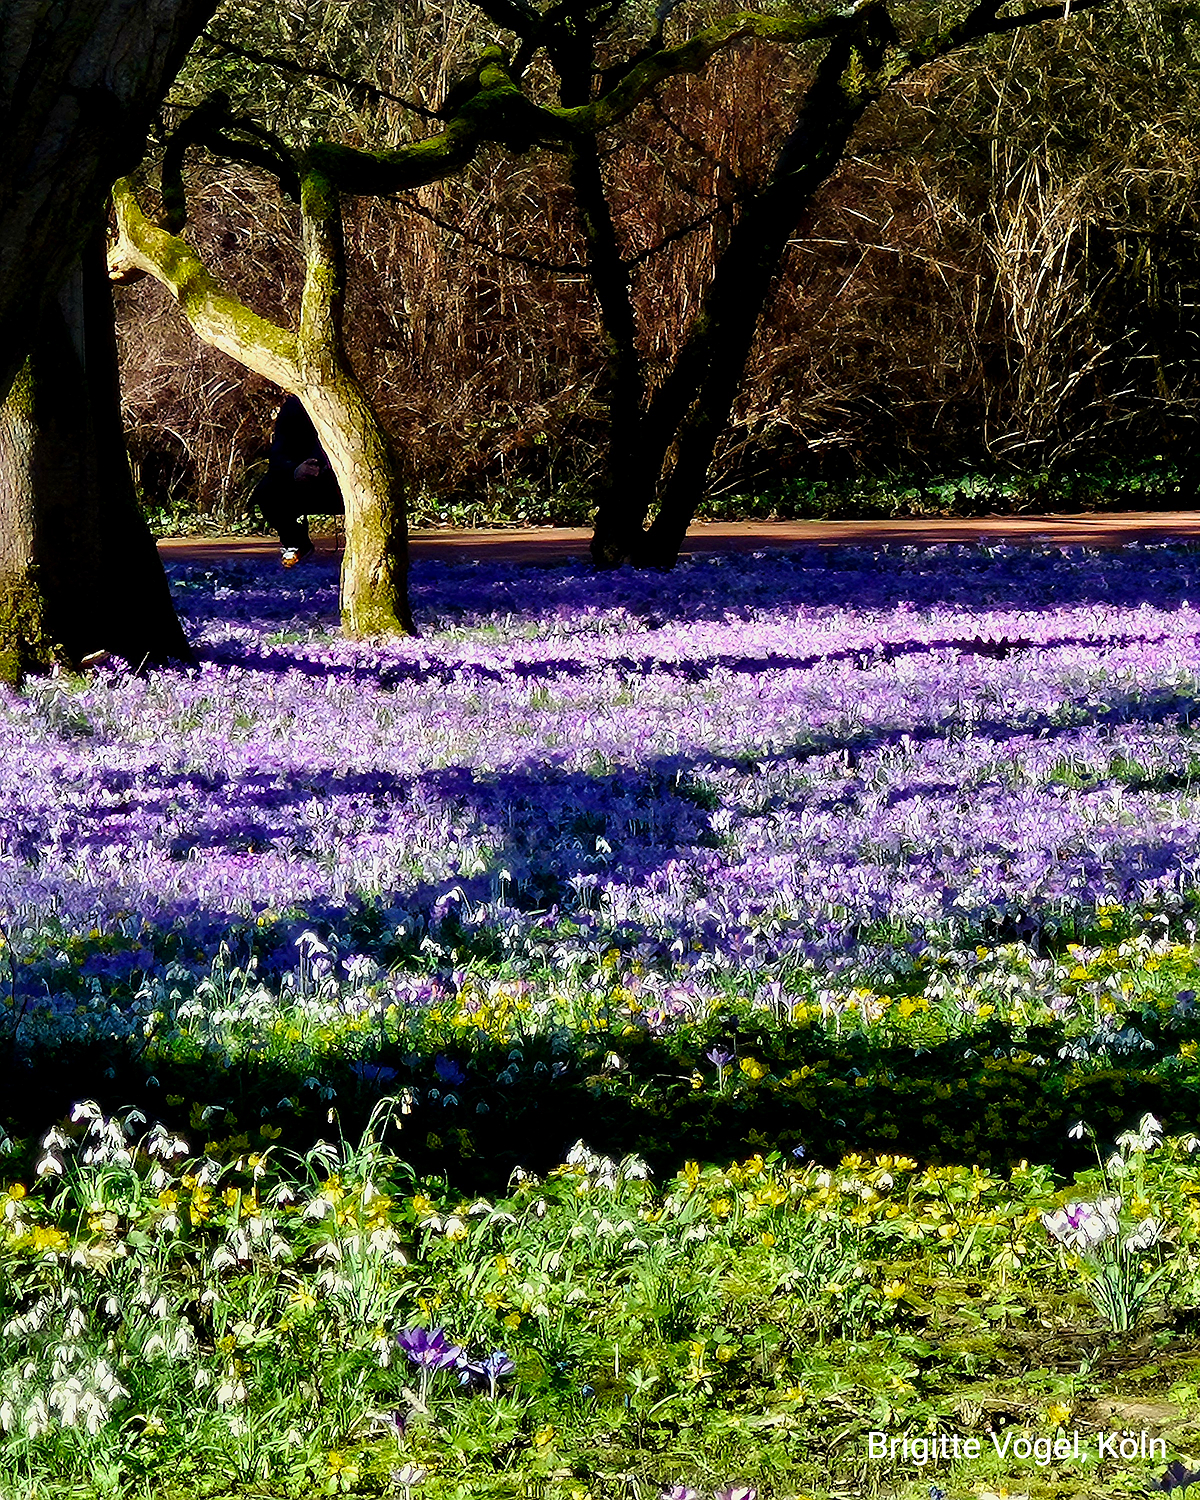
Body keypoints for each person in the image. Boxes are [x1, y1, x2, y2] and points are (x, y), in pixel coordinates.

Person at [252, 395, 343, 566]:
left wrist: (324, 465)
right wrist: (296, 470)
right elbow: (278, 454)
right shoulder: (293, 406)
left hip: (341, 481)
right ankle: (296, 543)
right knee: (266, 491)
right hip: (301, 479)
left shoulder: (345, 402)